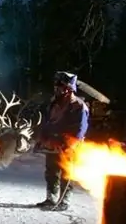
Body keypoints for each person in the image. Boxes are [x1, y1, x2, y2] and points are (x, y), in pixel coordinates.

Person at [35, 71, 90, 211]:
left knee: (67, 173)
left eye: (59, 85)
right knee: (51, 172)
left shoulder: (78, 106)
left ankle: (64, 200)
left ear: (68, 88)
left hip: (70, 147)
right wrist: (43, 137)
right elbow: (47, 122)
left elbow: (80, 130)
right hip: (52, 144)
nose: (56, 88)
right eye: (56, 85)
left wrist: (67, 145)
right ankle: (51, 198)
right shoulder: (53, 103)